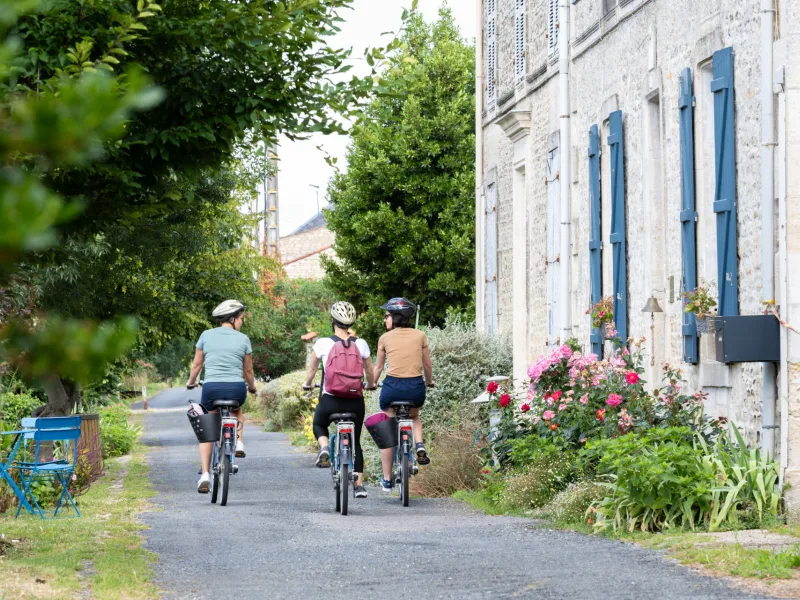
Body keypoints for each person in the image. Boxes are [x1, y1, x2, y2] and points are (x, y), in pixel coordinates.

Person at [302, 301, 375, 498]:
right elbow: (369, 371)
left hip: (330, 400)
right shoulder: (361, 344)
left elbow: (312, 370)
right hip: (354, 401)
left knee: (318, 424)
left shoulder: (323, 343)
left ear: (333, 321)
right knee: (356, 441)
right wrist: (371, 384)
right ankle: (359, 485)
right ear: (351, 322)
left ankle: (324, 448)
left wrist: (307, 384)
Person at [187, 299, 257, 493]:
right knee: (237, 411)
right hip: (236, 388)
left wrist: (191, 382)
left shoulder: (206, 335)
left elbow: (197, 365)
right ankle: (239, 441)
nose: (242, 322)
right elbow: (248, 370)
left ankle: (205, 475)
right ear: (233, 318)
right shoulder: (243, 339)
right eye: (241, 318)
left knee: (208, 428)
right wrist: (252, 388)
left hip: (211, 389)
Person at [372, 297, 434, 492]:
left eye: (387, 315)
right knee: (414, 417)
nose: (385, 319)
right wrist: (429, 381)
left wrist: (371, 383)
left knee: (389, 430)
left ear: (396, 317)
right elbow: (427, 365)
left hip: (392, 388)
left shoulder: (384, 338)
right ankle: (419, 444)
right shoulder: (421, 335)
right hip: (415, 387)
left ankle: (387, 479)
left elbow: (379, 367)